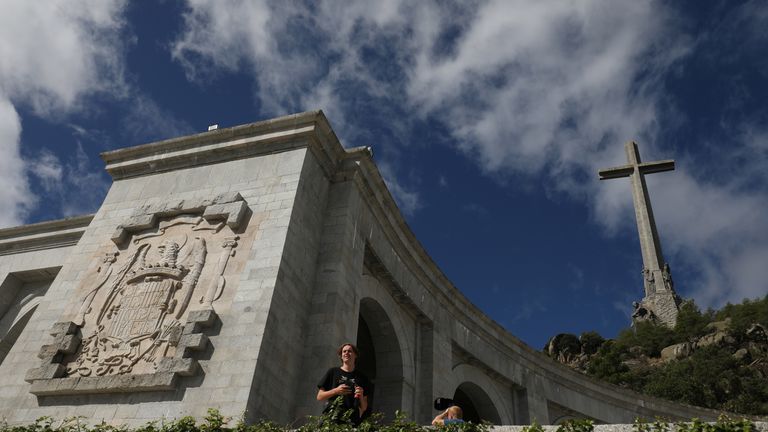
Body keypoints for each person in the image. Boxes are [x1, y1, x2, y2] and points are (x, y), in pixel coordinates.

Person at [316, 343, 371, 425]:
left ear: (355, 355)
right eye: (344, 351)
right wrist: (336, 391)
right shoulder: (333, 372)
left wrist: (361, 395)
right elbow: (320, 396)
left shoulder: (362, 378)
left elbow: (364, 407)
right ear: (341, 356)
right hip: (331, 418)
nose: (346, 353)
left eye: (349, 351)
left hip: (351, 421)